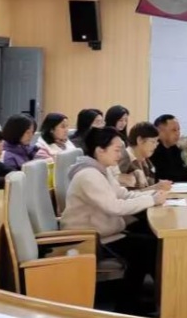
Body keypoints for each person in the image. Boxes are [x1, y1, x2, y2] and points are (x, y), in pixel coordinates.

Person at [60, 128, 165, 316]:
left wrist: (152, 194)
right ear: (100, 150)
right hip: (89, 238)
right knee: (147, 248)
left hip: (104, 231)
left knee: (148, 241)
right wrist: (151, 200)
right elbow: (115, 207)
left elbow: (123, 194)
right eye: (116, 150)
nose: (120, 154)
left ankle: (145, 299)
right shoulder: (89, 175)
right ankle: (130, 306)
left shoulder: (101, 170)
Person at [150, 115, 187, 183]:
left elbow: (179, 168)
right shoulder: (153, 149)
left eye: (178, 129)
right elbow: (164, 175)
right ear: (160, 132)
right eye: (174, 130)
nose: (178, 133)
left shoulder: (174, 148)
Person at [118, 123, 171, 191]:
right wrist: (155, 187)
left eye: (156, 142)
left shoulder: (146, 161)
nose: (155, 146)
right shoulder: (123, 159)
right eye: (152, 142)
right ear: (139, 140)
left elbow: (148, 187)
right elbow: (122, 194)